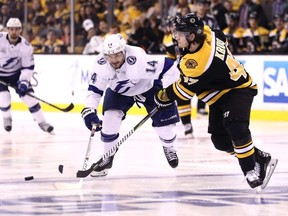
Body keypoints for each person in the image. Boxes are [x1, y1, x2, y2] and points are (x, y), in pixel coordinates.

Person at [154, 13, 277, 189]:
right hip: (219, 93)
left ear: (191, 36)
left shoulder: (198, 61)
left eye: (180, 34)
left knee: (236, 126)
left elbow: (184, 91)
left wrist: (163, 96)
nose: (176, 37)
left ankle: (250, 171)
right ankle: (260, 158)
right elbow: (220, 35)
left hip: (237, 89)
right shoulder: (207, 33)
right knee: (220, 141)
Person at [81, 33, 180, 177]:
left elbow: (170, 67)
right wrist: (89, 110)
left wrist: (169, 93)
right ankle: (107, 157)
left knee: (166, 129)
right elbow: (94, 90)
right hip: (120, 91)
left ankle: (169, 147)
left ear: (124, 51)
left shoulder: (138, 61)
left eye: (117, 55)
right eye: (110, 55)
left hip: (148, 86)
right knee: (110, 118)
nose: (114, 60)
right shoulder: (101, 64)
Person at [0, 18, 54, 133]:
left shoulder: (26, 46)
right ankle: (6, 118)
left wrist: (23, 83)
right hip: (0, 75)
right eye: (11, 29)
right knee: (4, 97)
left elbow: (27, 68)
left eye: (17, 29)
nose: (14, 32)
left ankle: (42, 122)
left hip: (16, 74)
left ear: (20, 30)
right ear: (7, 29)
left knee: (29, 98)